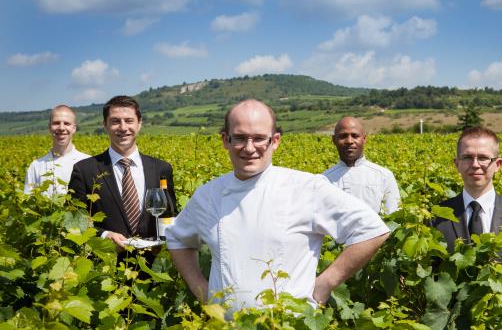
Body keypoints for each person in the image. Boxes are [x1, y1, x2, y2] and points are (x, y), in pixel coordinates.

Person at [166, 100, 389, 313]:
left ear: (275, 141)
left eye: (259, 138)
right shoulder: (208, 195)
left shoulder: (306, 188)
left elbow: (371, 229)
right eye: (240, 138)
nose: (249, 148)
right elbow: (177, 239)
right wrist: (201, 291)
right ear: (226, 140)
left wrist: (326, 283)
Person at [68, 95, 176, 249]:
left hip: (153, 265)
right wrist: (104, 235)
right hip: (107, 265)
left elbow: (170, 215)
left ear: (139, 124)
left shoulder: (161, 169)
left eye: (129, 121)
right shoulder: (84, 170)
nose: (123, 127)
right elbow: (73, 220)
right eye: (115, 121)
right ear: (105, 125)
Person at [433, 127, 502, 258]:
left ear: (498, 164)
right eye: (467, 157)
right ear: (457, 164)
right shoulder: (436, 218)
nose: (475, 164)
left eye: (483, 157)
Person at [323, 117, 400, 214]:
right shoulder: (324, 180)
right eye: (343, 136)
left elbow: (393, 215)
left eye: (355, 136)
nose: (349, 141)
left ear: (364, 139)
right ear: (334, 140)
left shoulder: (384, 176)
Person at [24, 105, 90, 196]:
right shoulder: (36, 166)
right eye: (56, 123)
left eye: (67, 123)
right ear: (49, 127)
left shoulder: (88, 163)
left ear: (74, 128)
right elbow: (28, 205)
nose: (61, 128)